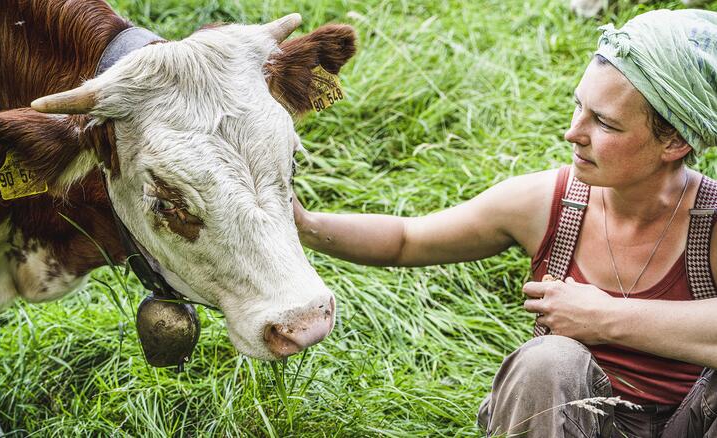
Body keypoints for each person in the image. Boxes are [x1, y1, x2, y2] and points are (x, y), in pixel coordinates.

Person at [292, 9, 717, 438]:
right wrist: (305, 224)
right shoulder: (549, 203)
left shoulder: (710, 223)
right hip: (572, 424)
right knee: (547, 361)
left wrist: (604, 315)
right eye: (578, 106)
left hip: (694, 422)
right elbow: (407, 238)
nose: (573, 133)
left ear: (675, 141)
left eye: (604, 122)